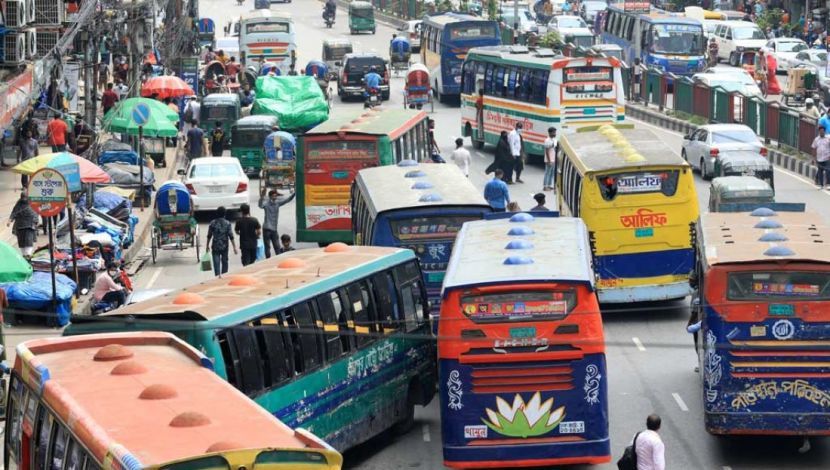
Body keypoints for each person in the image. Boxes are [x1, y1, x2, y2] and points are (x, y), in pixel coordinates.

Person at [259, 188, 291, 258]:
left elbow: (287, 200)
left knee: (276, 246)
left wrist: (295, 193)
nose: (275, 197)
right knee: (268, 246)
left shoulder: (277, 203)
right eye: (273, 196)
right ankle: (269, 260)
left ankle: (277, 259)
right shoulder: (266, 204)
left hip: (273, 229)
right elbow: (260, 205)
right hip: (267, 228)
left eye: (275, 196)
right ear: (270, 196)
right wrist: (262, 196)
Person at [206, 206, 237, 276]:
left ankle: (217, 277)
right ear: (224, 214)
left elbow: (209, 235)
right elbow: (231, 236)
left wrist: (207, 246)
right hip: (224, 246)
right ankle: (224, 277)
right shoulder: (227, 223)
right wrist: (234, 247)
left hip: (215, 246)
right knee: (225, 263)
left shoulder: (212, 223)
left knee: (216, 264)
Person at [7, 191, 38, 258]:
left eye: (25, 197)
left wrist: (36, 220)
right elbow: (14, 212)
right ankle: (24, 255)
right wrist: (10, 220)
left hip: (29, 226)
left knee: (28, 241)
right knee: (22, 242)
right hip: (20, 225)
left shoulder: (32, 202)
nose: (24, 199)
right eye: (23, 197)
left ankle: (28, 255)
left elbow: (36, 212)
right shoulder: (19, 204)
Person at [543, 127, 558, 192]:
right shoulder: (547, 140)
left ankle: (549, 185)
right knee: (547, 173)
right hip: (549, 160)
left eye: (555, 132)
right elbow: (546, 151)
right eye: (553, 132)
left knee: (551, 173)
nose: (555, 133)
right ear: (550, 133)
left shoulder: (554, 140)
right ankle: (545, 186)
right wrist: (549, 161)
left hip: (553, 159)